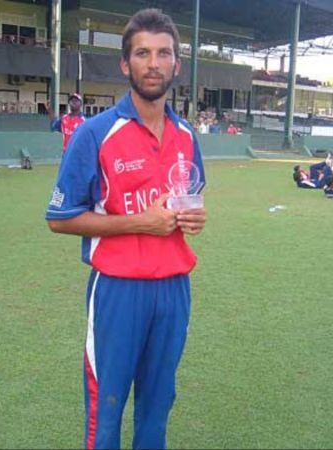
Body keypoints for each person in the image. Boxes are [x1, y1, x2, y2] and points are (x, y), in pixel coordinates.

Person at [45, 8, 206, 449]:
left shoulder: (187, 134)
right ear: (125, 64)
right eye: (142, 53)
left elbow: (190, 195)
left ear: (177, 64)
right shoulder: (95, 134)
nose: (153, 63)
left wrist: (194, 216)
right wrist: (141, 223)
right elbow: (60, 218)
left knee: (158, 406)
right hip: (118, 290)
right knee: (107, 409)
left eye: (163, 53)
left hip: (174, 289)